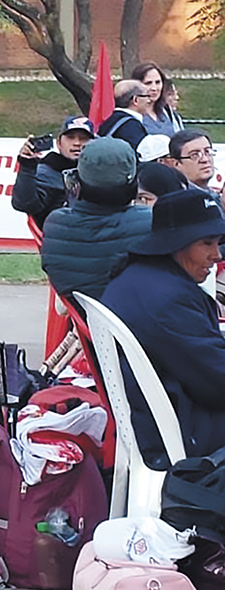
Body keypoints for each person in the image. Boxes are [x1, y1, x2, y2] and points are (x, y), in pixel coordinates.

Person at [102, 187, 225, 465]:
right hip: (175, 433)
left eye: (219, 242)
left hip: (159, 419)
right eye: (206, 243)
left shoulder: (140, 277)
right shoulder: (169, 299)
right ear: (175, 243)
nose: (217, 255)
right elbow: (218, 385)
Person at [40, 137, 151, 303]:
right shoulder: (150, 222)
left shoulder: (55, 223)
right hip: (137, 322)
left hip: (87, 322)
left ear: (78, 181)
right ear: (133, 183)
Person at [11, 116, 96, 229]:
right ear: (59, 143)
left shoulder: (101, 172)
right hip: (63, 237)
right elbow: (25, 204)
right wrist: (27, 166)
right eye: (70, 137)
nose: (77, 143)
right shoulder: (47, 172)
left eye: (84, 138)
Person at [131, 62, 184, 136]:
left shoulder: (168, 112)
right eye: (148, 83)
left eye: (158, 82)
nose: (154, 88)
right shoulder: (132, 116)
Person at [98, 80, 152, 151]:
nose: (149, 100)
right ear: (135, 100)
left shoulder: (108, 121)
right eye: (147, 96)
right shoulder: (132, 127)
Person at [168, 129, 219, 198]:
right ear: (176, 164)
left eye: (207, 151)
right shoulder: (178, 200)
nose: (205, 159)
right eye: (194, 155)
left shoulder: (216, 195)